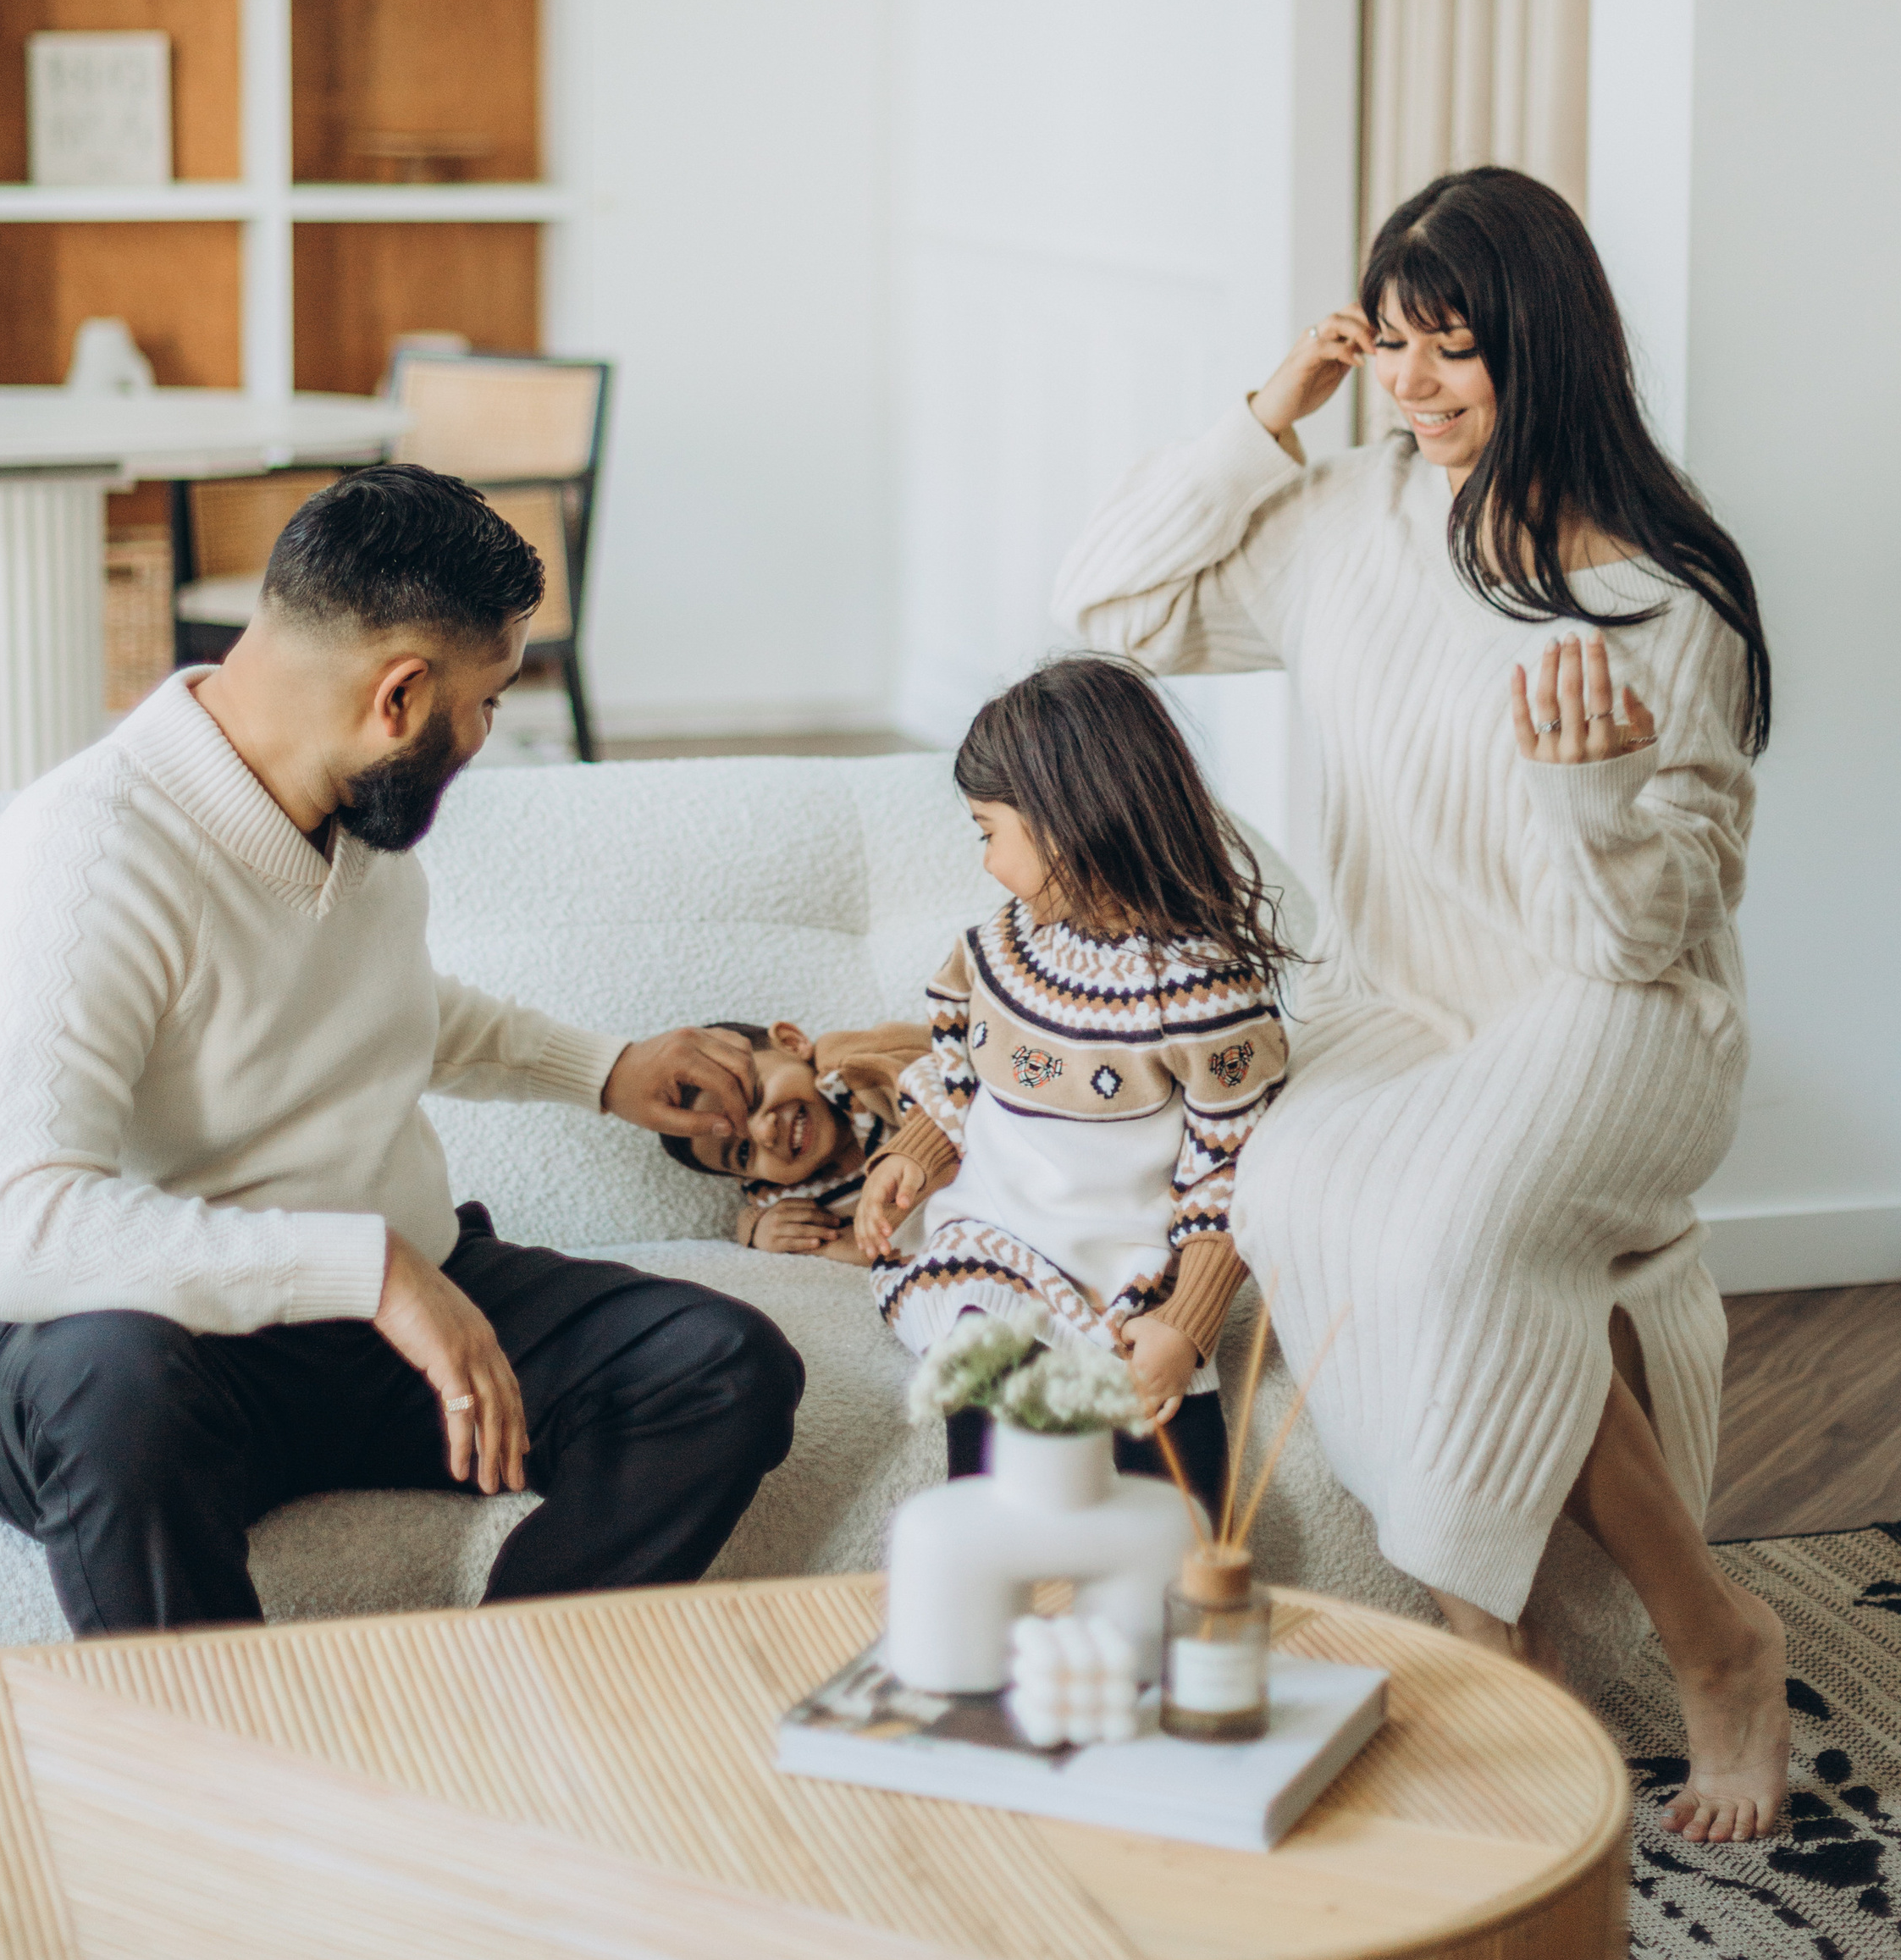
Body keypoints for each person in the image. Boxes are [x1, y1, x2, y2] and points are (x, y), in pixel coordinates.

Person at [1053, 163, 1789, 1844]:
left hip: (1618, 1013)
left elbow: (1636, 939)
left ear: (1542, 349)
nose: (1409, 385)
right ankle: (1500, 1644)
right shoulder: (1349, 521)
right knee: (1299, 1186)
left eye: (1447, 350)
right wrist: (1266, 420)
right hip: (1408, 999)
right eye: (1384, 346)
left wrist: (1590, 795)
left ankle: (1712, 1647)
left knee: (1448, 1240)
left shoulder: (1663, 603)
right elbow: (1107, 603)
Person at [0, 462, 804, 1637]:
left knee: (724, 1366)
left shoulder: (356, 818)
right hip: (139, 1346)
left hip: (361, 1329)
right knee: (115, 1393)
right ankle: (219, 1782)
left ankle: (495, 1686)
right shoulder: (85, 858)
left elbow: (385, 1006)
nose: (486, 733)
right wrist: (376, 1273)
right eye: (486, 701)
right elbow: (8, 1231)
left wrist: (603, 1069)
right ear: (399, 696)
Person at [854, 653, 1290, 1511]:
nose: (985, 864)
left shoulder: (1204, 995)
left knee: (1174, 1497)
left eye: (988, 832)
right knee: (991, 1380)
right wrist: (915, 1151)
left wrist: (1187, 1324)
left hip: (1128, 1272)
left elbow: (1231, 1174)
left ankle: (1168, 1623)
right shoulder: (997, 952)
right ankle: (997, 1575)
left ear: (1065, 821)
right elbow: (960, 1079)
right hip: (991, 1245)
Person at [656, 1021, 927, 1261]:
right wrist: (758, 1230)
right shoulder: (789, 1190)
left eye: (752, 1097)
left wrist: (911, 1151)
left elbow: (946, 1094)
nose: (765, 1134)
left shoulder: (850, 1065)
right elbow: (754, 1213)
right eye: (742, 1153)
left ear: (791, 1043)